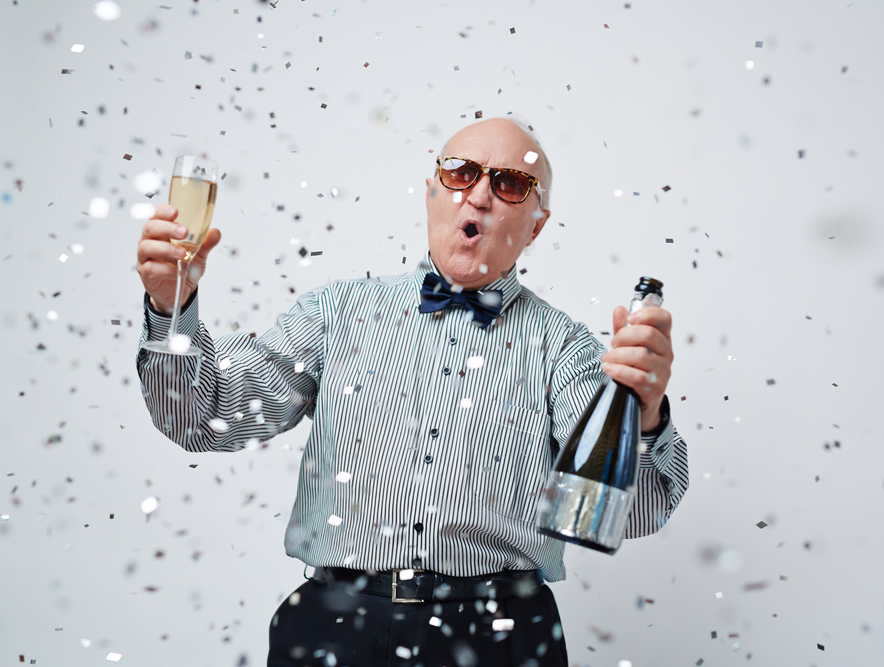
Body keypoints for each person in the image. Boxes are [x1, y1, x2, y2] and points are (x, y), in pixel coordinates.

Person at [135, 117, 689, 667]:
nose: (478, 197)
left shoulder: (564, 347)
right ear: (431, 192)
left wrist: (643, 419)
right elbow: (204, 418)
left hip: (500, 640)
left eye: (510, 184)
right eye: (461, 173)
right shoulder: (335, 313)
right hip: (332, 629)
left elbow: (632, 513)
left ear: (536, 224)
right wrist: (171, 309)